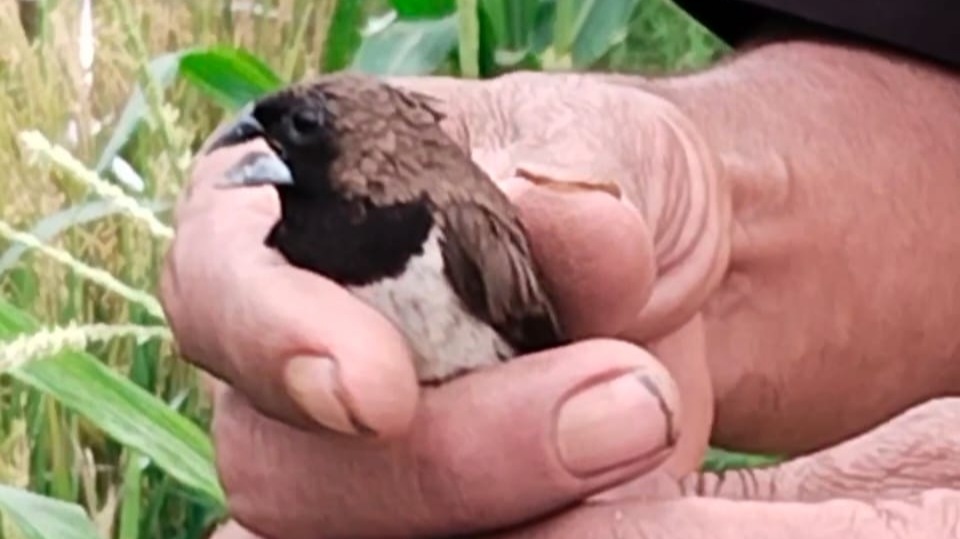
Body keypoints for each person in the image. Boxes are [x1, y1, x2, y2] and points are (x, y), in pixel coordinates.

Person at [159, 0, 960, 537]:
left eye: (298, 129)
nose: (261, 144)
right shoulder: (306, 232)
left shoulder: (448, 223)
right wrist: (697, 201)